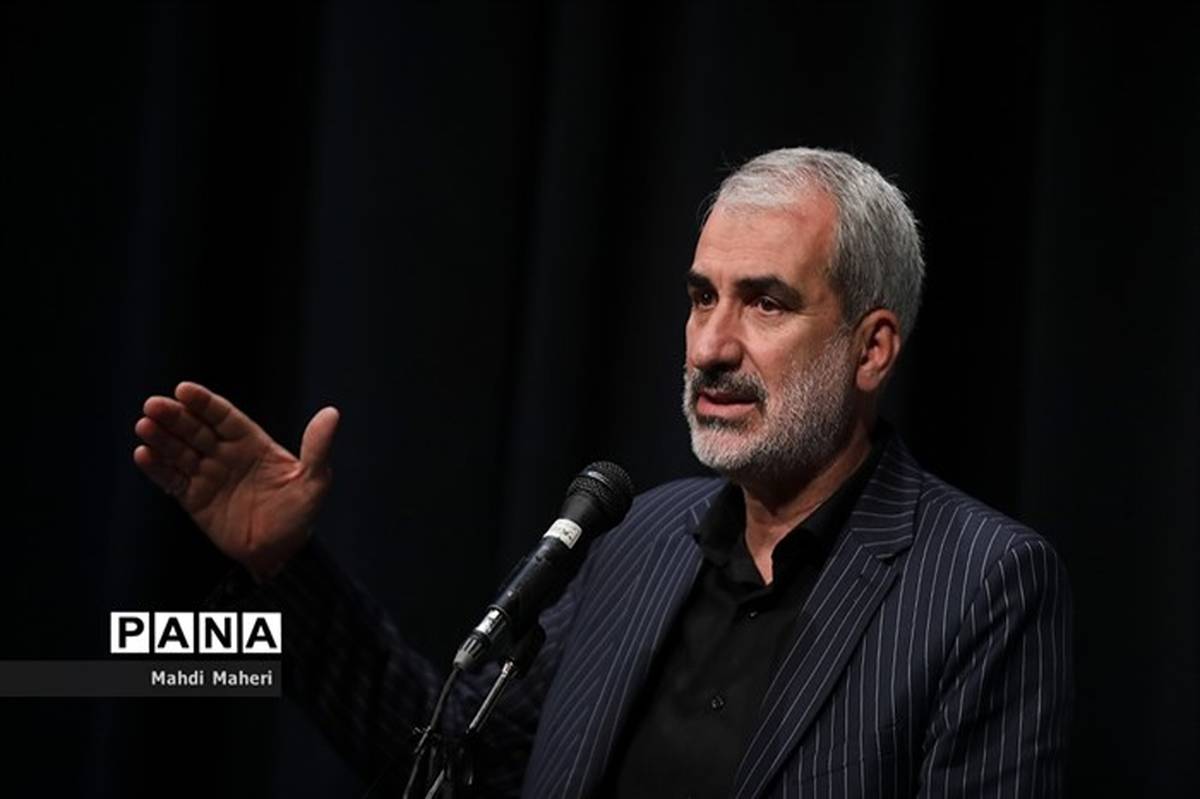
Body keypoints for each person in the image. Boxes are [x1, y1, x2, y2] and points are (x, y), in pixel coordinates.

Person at [133, 147, 1072, 798]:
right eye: (701, 297)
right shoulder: (635, 536)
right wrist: (285, 565)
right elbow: (448, 760)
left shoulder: (982, 582)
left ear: (871, 349)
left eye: (765, 303)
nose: (710, 346)